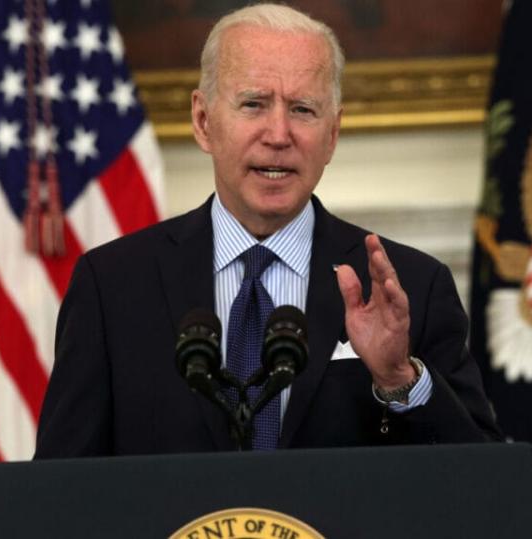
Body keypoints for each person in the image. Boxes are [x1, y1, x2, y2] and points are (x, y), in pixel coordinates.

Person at [34, 3, 499, 457]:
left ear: (332, 135)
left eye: (303, 110)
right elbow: (59, 493)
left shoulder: (411, 286)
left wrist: (400, 380)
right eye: (253, 104)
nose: (278, 134)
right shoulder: (113, 286)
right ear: (203, 121)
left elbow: (485, 487)